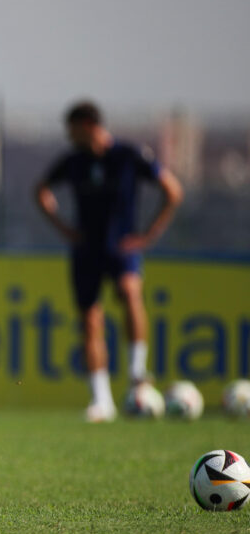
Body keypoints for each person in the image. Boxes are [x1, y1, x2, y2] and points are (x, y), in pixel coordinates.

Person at [35, 100, 183, 422]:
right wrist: (65, 229)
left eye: (72, 130)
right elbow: (41, 191)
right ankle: (101, 401)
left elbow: (172, 190)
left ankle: (136, 372)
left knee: (130, 292)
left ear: (87, 126)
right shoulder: (73, 162)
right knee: (90, 321)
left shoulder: (128, 156)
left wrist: (148, 235)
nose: (69, 136)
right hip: (87, 250)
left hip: (122, 247)